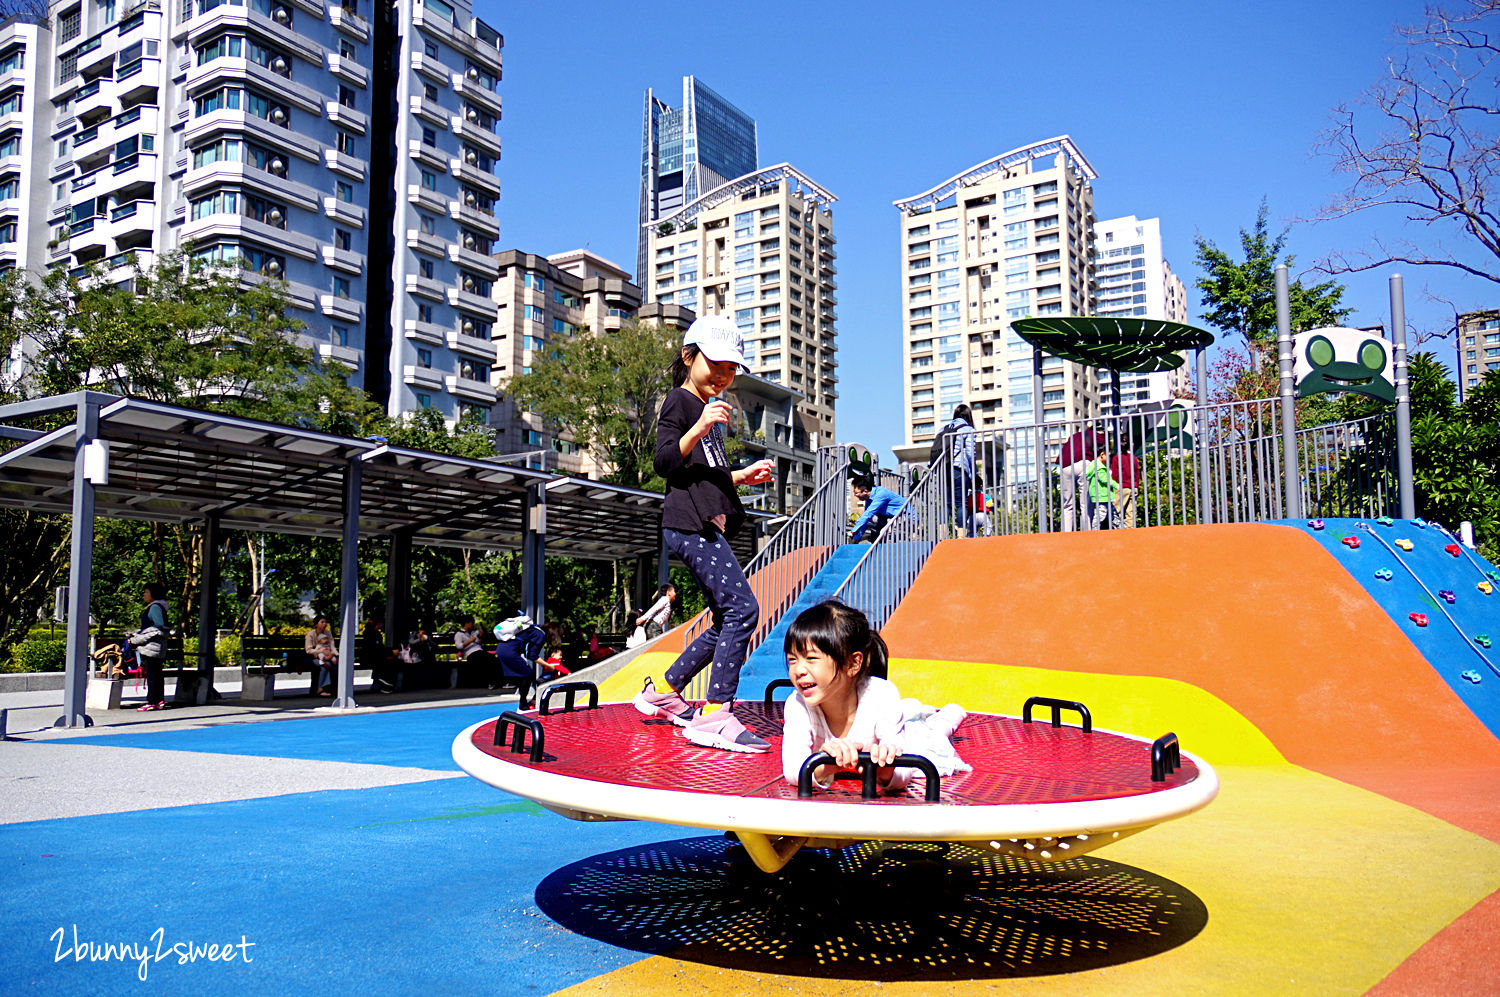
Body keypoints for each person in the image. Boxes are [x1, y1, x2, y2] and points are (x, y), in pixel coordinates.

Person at [632, 314, 776, 753]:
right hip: (689, 524)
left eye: (731, 369)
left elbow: (702, 474)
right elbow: (664, 464)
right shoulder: (681, 401)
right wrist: (698, 426)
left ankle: (665, 694)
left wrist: (742, 476)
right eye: (715, 364)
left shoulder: (706, 408)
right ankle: (716, 714)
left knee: (726, 616)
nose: (723, 375)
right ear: (688, 357)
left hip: (703, 523)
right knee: (743, 610)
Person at [779, 600, 910, 793]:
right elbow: (792, 769)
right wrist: (829, 765)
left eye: (811, 659)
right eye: (792, 659)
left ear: (852, 664)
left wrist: (885, 768)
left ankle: (949, 716)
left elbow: (905, 769)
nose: (798, 670)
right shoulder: (797, 704)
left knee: (931, 734)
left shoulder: (882, 695)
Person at [127, 583, 171, 711]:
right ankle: (159, 700)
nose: (144, 595)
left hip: (152, 647)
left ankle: (152, 701)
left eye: (146, 592)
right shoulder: (158, 606)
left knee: (153, 675)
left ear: (153, 594)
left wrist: (136, 639)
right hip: (156, 647)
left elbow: (157, 628)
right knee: (156, 674)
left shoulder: (155, 607)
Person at [493, 613, 548, 707]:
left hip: (501, 648)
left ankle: (523, 701)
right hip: (510, 652)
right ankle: (523, 704)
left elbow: (527, 653)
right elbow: (532, 656)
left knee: (523, 675)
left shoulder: (528, 629)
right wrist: (548, 665)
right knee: (528, 674)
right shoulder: (540, 634)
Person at [1058, 427, 1106, 532]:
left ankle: (1066, 532)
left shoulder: (1076, 436)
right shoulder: (1098, 436)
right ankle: (1087, 532)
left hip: (1065, 466)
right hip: (1083, 463)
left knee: (1067, 503)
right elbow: (1102, 451)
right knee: (1085, 503)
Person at [940, 405, 977, 536]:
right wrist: (974, 474)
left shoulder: (944, 429)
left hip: (943, 470)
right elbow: (970, 454)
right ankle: (961, 535)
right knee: (962, 503)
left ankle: (942, 536)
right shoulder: (968, 429)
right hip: (959, 469)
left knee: (947, 504)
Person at [850, 477, 905, 543]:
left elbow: (868, 514)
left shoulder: (881, 494)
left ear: (865, 491)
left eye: (856, 493)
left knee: (885, 532)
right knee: (872, 522)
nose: (855, 495)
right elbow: (866, 519)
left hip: (906, 517)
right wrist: (856, 539)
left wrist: (853, 531)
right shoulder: (869, 499)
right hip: (891, 517)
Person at [454, 615, 499, 688]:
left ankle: (494, 682)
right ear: (466, 623)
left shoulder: (472, 633)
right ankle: (491, 682)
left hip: (479, 650)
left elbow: (478, 643)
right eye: (472, 623)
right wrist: (471, 641)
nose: (473, 625)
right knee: (487, 660)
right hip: (471, 654)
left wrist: (480, 637)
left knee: (493, 659)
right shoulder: (459, 634)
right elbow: (459, 646)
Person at [305, 616, 338, 696]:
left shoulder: (328, 633)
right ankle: (321, 689)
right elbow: (308, 650)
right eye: (322, 622)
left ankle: (333, 689)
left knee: (336, 665)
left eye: (325, 622)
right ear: (316, 624)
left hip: (328, 656)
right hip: (314, 658)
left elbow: (332, 645)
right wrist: (321, 651)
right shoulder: (311, 635)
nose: (325, 624)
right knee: (325, 665)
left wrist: (331, 654)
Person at [1086, 454, 1121, 529]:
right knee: (1101, 515)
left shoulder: (1096, 465)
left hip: (1103, 496)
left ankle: (1120, 528)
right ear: (1102, 455)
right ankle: (1094, 532)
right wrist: (1116, 485)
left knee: (1112, 514)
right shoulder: (1099, 467)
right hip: (1102, 495)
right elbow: (1104, 479)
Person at [1111, 448, 1141, 528]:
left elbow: (1115, 474)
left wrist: (1115, 485)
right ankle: (1130, 532)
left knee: (1116, 511)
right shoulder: (1134, 458)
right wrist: (1137, 486)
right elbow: (1137, 473)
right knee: (1131, 513)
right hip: (1133, 487)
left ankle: (1116, 531)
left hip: (1122, 486)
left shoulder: (1117, 458)